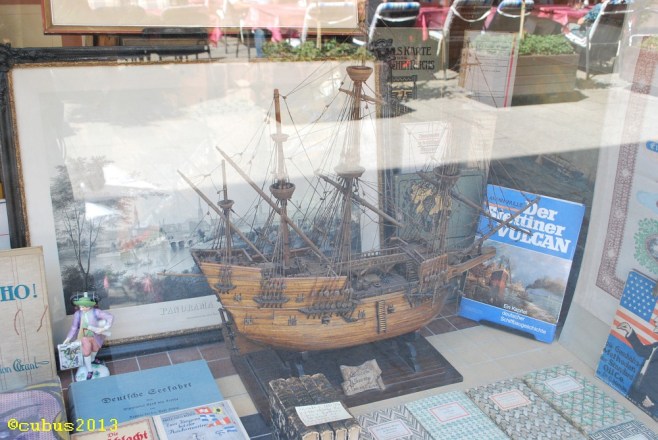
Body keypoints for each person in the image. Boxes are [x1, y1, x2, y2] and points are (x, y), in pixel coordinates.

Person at [63, 291, 114, 380]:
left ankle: (92, 359)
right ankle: (89, 370)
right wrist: (68, 338)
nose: (81, 308)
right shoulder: (78, 314)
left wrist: (104, 328)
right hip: (83, 335)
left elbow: (110, 317)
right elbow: (74, 327)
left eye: (83, 307)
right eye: (80, 306)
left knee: (95, 349)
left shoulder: (96, 312)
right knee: (86, 352)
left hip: (95, 335)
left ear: (89, 306)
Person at [617, 321, 658, 417]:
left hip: (649, 398)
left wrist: (654, 401)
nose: (655, 321)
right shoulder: (656, 345)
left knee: (641, 420)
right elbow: (641, 351)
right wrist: (629, 330)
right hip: (636, 386)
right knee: (623, 412)